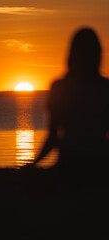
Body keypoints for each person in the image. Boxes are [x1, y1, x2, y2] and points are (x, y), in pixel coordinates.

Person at [31, 27, 109, 183]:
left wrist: (33, 164)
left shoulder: (60, 87)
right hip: (101, 164)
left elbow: (52, 137)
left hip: (69, 164)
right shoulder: (105, 88)